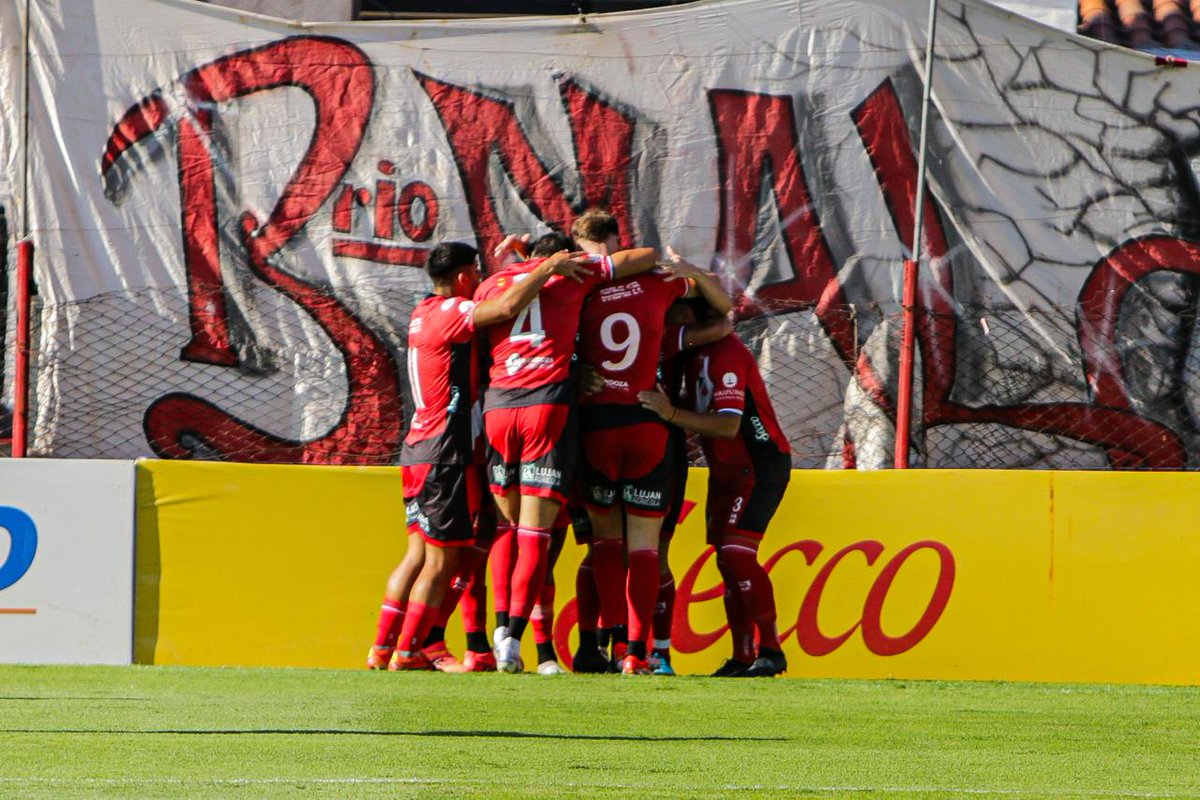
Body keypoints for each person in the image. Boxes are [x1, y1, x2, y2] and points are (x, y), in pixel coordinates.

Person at [367, 241, 591, 671]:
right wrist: (546, 269)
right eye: (477, 273)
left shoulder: (422, 313)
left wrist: (524, 255)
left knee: (429, 554)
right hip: (447, 451)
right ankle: (413, 649)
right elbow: (507, 308)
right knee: (446, 556)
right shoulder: (452, 312)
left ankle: (391, 647)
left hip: (420, 448)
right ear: (465, 277)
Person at [475, 230, 660, 673]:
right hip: (546, 408)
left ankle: (499, 629)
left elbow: (487, 321)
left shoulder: (493, 282)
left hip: (498, 406)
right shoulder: (573, 274)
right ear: (562, 254)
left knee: (506, 529)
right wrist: (570, 262)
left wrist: (529, 262)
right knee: (537, 536)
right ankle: (516, 641)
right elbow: (646, 256)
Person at [572, 210, 733, 675]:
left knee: (602, 543)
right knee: (645, 546)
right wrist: (693, 273)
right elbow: (722, 314)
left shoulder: (580, 285)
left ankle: (607, 641)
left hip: (596, 425)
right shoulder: (658, 283)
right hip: (647, 422)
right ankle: (639, 652)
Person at [638, 323, 792, 678]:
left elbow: (727, 426)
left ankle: (771, 649)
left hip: (758, 464)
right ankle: (742, 656)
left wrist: (671, 413)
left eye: (679, 308)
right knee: (727, 562)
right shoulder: (689, 356)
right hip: (726, 470)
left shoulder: (725, 354)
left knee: (737, 554)